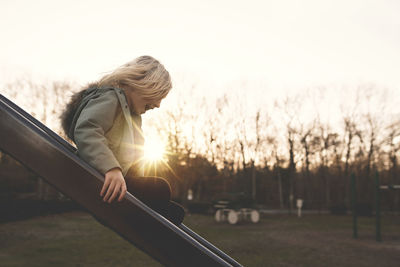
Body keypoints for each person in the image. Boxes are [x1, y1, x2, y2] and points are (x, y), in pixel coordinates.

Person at [60, 55, 184, 225]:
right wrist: (111, 169)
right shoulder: (110, 99)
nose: (158, 105)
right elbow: (87, 130)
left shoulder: (130, 115)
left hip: (119, 178)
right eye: (156, 96)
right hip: (102, 181)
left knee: (159, 191)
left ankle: (153, 211)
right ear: (140, 86)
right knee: (160, 188)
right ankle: (142, 214)